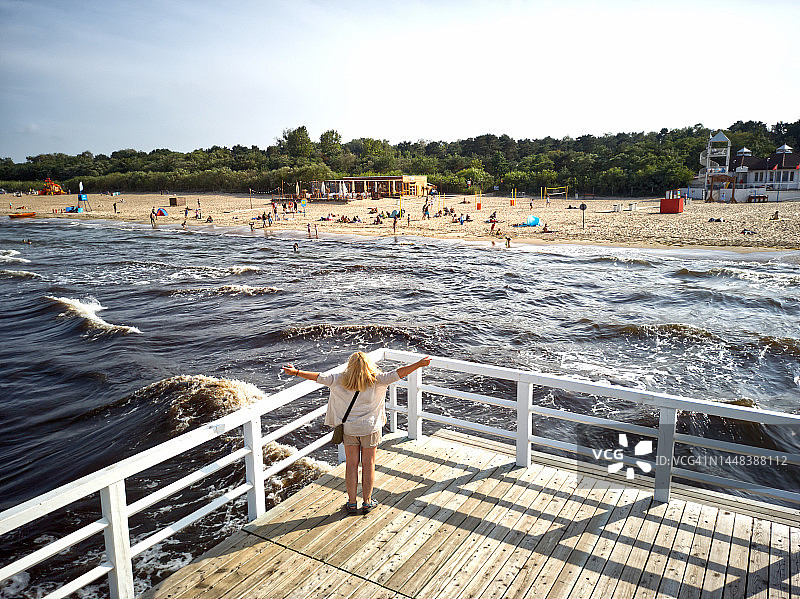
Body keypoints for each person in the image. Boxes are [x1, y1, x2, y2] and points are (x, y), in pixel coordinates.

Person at [282, 352, 431, 514]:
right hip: (370, 429)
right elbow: (399, 372)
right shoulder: (378, 380)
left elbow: (318, 377)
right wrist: (419, 364)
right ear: (368, 365)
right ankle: (367, 502)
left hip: (349, 430)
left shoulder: (339, 379)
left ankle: (352, 503)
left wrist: (296, 372)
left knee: (351, 465)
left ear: (350, 366)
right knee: (369, 465)